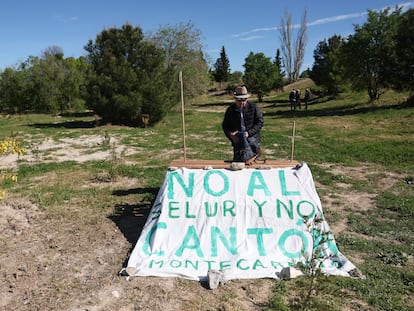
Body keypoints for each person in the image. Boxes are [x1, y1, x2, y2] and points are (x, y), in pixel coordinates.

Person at [222, 86, 264, 164]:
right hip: (238, 138)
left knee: (252, 163)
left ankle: (255, 155)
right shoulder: (230, 110)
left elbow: (260, 122)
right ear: (235, 99)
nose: (242, 102)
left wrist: (249, 133)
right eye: (239, 99)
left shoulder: (254, 107)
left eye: (244, 99)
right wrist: (230, 135)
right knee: (238, 162)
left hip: (252, 137)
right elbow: (225, 125)